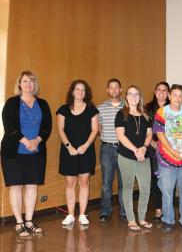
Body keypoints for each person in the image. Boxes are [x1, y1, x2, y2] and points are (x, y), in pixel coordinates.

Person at [1, 70, 52, 236]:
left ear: (35, 84)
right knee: (16, 186)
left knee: (32, 185)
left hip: (36, 152)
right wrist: (25, 141)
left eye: (32, 81)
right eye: (25, 81)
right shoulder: (12, 103)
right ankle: (19, 222)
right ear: (19, 84)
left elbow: (47, 127)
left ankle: (29, 221)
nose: (29, 84)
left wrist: (37, 140)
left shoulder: (43, 103)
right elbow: (9, 126)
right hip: (13, 152)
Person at [154, 84, 182, 233]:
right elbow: (160, 134)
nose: (177, 98)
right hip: (166, 159)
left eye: (180, 95)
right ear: (169, 96)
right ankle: (168, 219)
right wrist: (173, 151)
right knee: (167, 191)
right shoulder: (161, 112)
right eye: (175, 95)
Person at [57, 80, 99, 226]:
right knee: (70, 183)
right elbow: (60, 130)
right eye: (77, 89)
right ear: (72, 92)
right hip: (68, 151)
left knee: (84, 182)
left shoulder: (91, 109)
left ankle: (82, 214)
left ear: (86, 93)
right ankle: (70, 214)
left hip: (86, 151)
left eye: (83, 90)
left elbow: (95, 130)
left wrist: (86, 145)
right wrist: (69, 146)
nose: (80, 92)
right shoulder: (63, 109)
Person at [115, 85, 153, 233]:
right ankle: (131, 219)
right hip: (126, 156)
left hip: (143, 156)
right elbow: (121, 136)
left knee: (145, 188)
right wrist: (135, 150)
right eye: (130, 94)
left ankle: (142, 218)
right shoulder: (121, 114)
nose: (133, 96)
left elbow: (149, 134)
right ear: (126, 97)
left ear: (140, 97)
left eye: (136, 94)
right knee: (128, 188)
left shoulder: (145, 114)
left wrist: (144, 147)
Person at [97, 78, 125, 222]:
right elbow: (98, 128)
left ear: (120, 90)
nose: (114, 90)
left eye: (116, 88)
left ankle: (125, 211)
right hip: (107, 148)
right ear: (107, 90)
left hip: (124, 149)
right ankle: (105, 212)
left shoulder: (127, 107)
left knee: (123, 182)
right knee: (106, 183)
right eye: (111, 88)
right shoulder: (100, 108)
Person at [145, 81, 170, 221]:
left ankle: (168, 209)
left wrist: (166, 146)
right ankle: (158, 210)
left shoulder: (172, 108)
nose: (161, 92)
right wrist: (154, 144)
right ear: (155, 92)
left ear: (168, 93)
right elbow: (143, 129)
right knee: (155, 180)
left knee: (168, 180)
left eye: (164, 90)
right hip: (151, 148)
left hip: (169, 150)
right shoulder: (147, 108)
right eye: (159, 90)